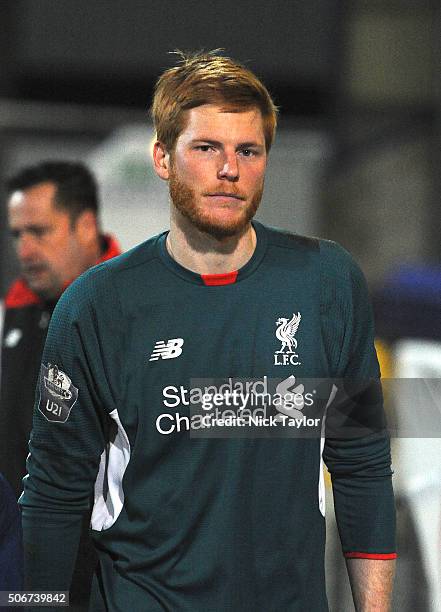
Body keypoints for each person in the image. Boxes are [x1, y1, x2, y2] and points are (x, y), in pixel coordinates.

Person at [20, 52, 396, 611]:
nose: (229, 170)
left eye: (248, 150)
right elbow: (53, 494)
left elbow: (361, 462)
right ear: (162, 157)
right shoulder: (96, 306)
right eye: (206, 148)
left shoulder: (328, 284)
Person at [0, 161, 120, 610]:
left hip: (99, 577)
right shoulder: (16, 309)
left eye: (39, 231)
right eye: (17, 235)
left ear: (85, 225)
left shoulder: (132, 310)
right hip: (20, 571)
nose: (25, 249)